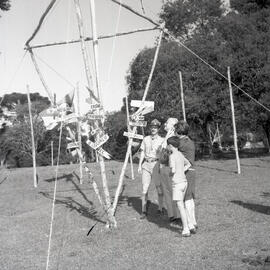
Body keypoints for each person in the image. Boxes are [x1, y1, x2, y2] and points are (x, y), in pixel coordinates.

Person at [138, 119, 164, 219]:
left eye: (155, 127)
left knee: (159, 187)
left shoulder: (162, 140)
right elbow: (142, 152)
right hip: (146, 165)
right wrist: (140, 165)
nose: (153, 129)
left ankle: (160, 208)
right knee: (145, 188)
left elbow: (164, 154)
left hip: (156, 164)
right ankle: (143, 211)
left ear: (158, 129)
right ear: (150, 128)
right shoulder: (146, 139)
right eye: (152, 127)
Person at [175, 120, 198, 231]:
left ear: (178, 131)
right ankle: (193, 221)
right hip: (191, 171)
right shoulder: (189, 141)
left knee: (186, 199)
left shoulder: (181, 142)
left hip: (186, 172)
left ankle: (190, 224)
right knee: (190, 198)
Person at [167, 136, 191, 237]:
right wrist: (182, 170)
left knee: (180, 206)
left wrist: (170, 174)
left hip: (177, 183)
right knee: (182, 205)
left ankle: (185, 229)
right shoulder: (180, 154)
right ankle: (189, 225)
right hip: (184, 182)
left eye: (168, 145)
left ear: (170, 146)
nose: (167, 147)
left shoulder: (172, 156)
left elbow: (172, 170)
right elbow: (188, 164)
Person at [159, 117, 181, 223]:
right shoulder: (166, 137)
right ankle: (171, 214)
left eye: (167, 123)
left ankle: (177, 215)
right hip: (163, 167)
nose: (165, 124)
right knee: (167, 192)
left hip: (171, 167)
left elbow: (167, 152)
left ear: (172, 126)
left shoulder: (175, 139)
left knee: (173, 191)